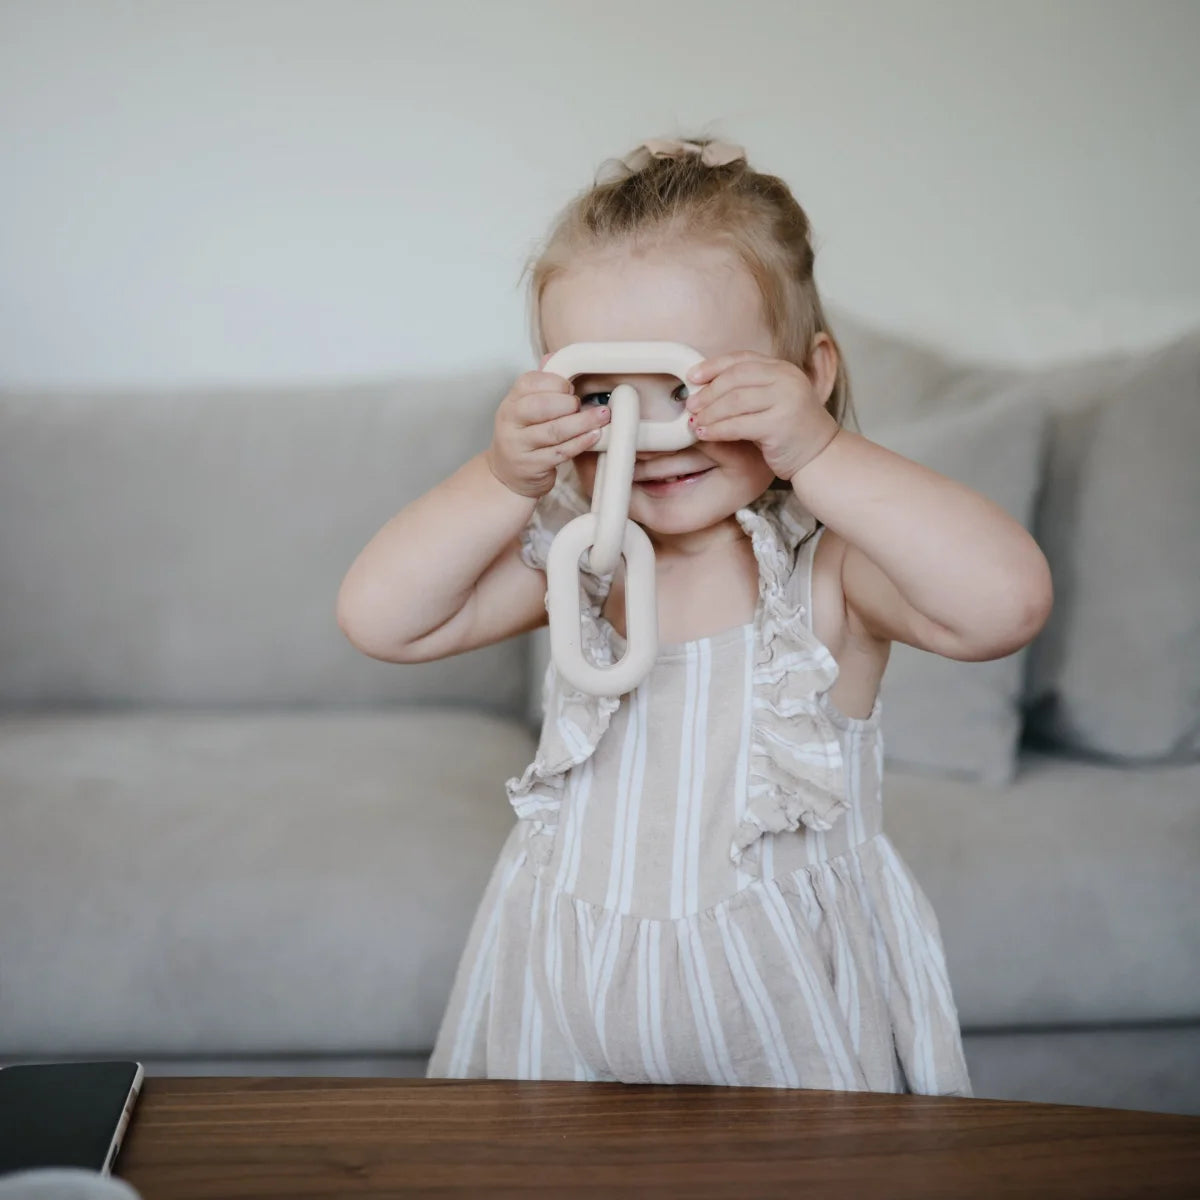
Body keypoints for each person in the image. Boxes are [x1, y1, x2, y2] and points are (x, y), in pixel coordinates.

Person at [336, 135, 1053, 1094]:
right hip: (564, 987)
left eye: (688, 385)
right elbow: (384, 620)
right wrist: (503, 475)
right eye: (600, 392)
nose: (651, 431)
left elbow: (1003, 604)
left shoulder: (829, 568)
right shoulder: (584, 555)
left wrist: (821, 449)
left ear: (811, 371)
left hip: (787, 1014)